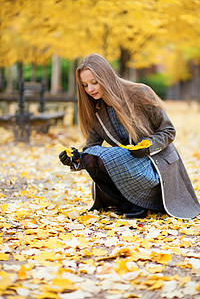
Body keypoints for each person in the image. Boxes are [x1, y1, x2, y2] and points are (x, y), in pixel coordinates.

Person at [59, 53, 200, 220]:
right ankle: (127, 200)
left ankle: (141, 202)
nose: (90, 89)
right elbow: (91, 151)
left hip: (154, 166)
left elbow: (168, 131)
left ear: (106, 77)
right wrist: (76, 159)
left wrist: (148, 146)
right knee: (91, 155)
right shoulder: (95, 110)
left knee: (107, 155)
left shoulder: (140, 93)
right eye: (84, 85)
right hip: (127, 169)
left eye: (94, 82)